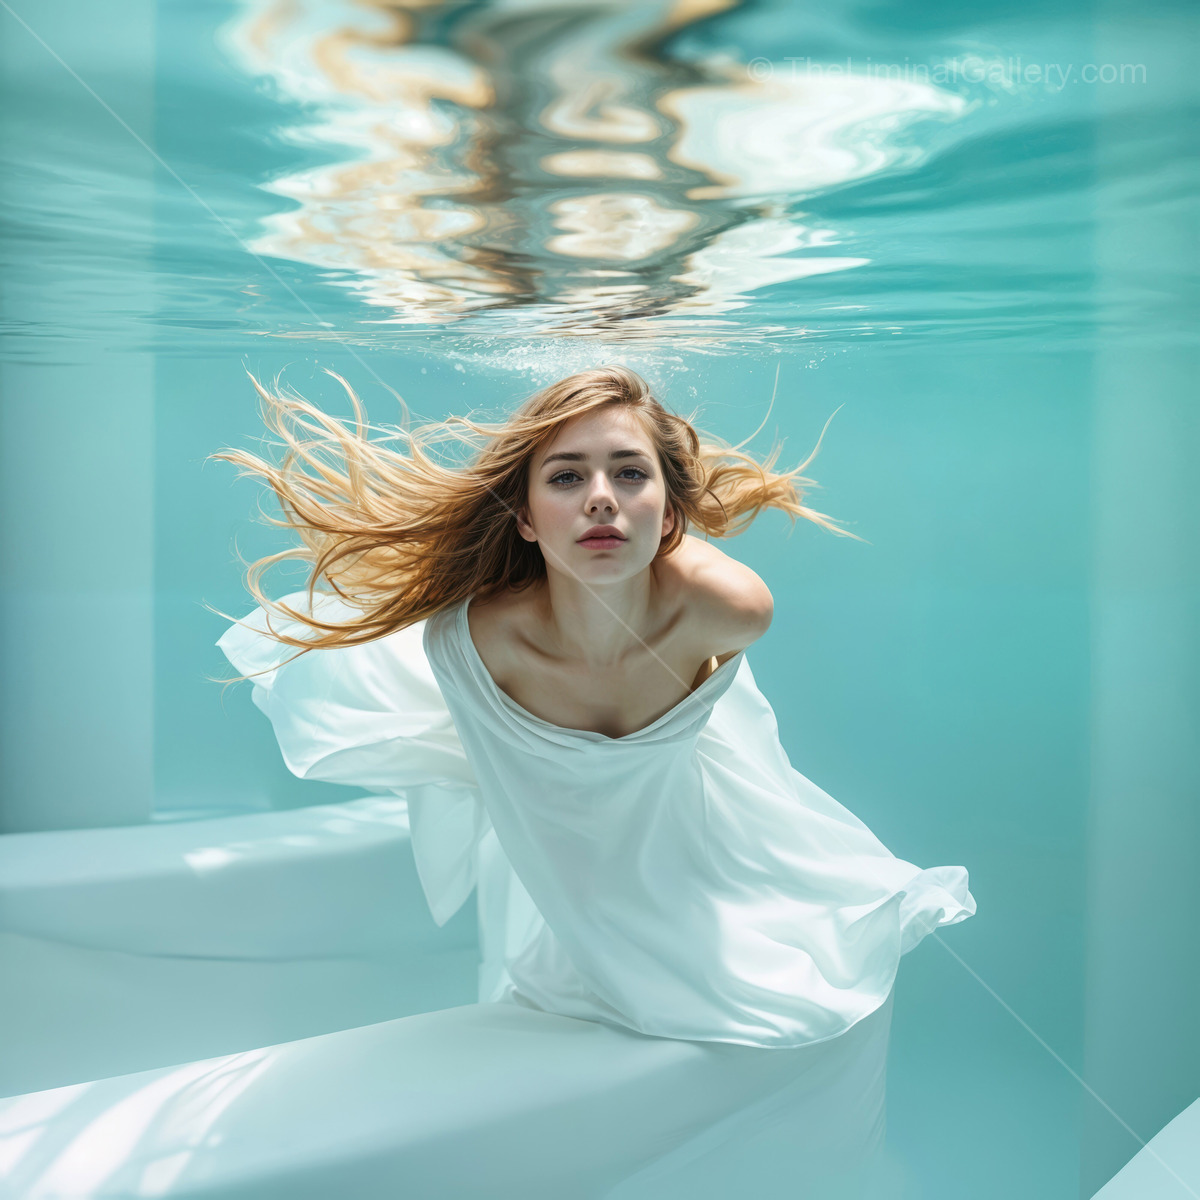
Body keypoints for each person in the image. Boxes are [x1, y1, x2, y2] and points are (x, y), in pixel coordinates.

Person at [214, 364, 975, 1049]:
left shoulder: (727, 610)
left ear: (671, 515)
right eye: (567, 477)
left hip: (690, 804)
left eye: (631, 474)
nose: (602, 497)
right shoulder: (475, 646)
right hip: (544, 805)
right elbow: (531, 815)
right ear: (523, 517)